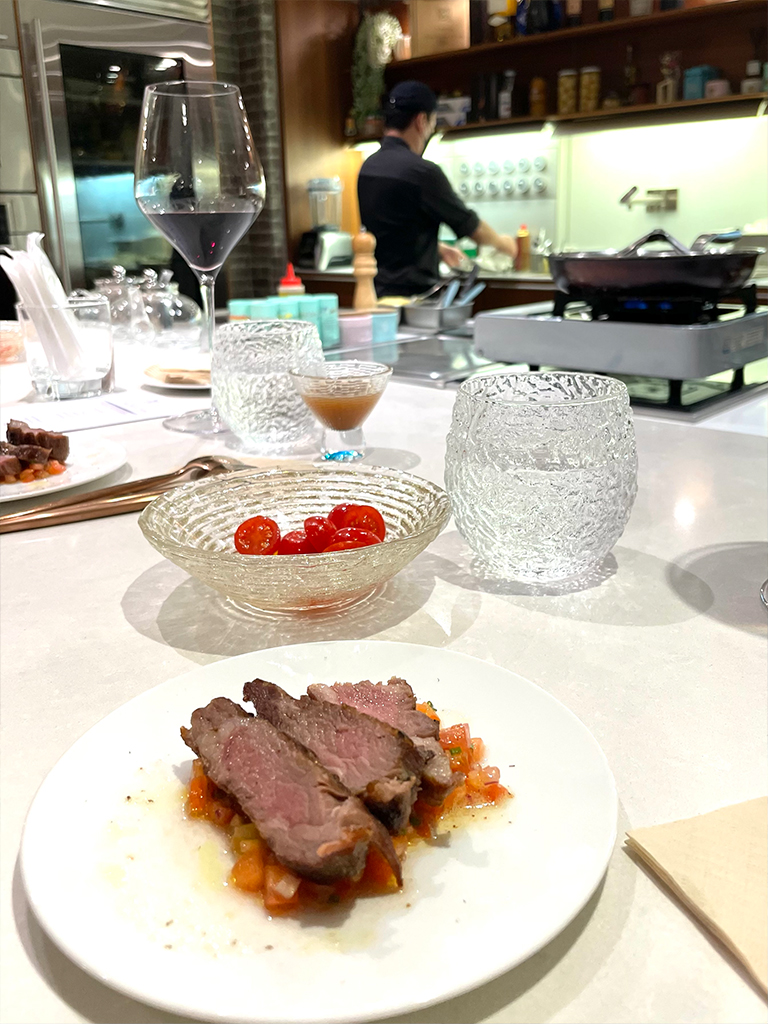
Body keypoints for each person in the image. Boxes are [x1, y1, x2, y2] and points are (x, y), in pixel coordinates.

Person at [357, 80, 518, 298]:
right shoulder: (422, 172)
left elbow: (392, 235)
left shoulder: (368, 167)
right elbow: (470, 226)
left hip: (375, 297)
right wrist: (504, 244)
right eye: (433, 123)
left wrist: (438, 249)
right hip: (415, 300)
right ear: (421, 121)